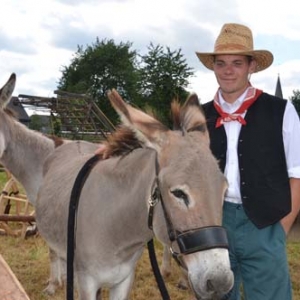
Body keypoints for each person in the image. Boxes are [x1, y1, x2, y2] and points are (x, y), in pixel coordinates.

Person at [196, 23, 300, 300]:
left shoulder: (281, 110)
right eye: (221, 63)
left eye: (237, 63)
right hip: (215, 222)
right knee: (214, 296)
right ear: (214, 67)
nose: (228, 70)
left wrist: (281, 230)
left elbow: (297, 174)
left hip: (266, 225)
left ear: (251, 66)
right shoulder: (198, 115)